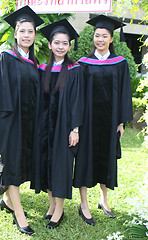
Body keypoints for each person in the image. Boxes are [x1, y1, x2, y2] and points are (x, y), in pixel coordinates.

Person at [0, 5, 44, 236]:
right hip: (9, 121)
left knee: (20, 164)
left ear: (35, 34)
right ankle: (20, 215)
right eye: (22, 31)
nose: (26, 35)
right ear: (15, 33)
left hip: (28, 123)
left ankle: (7, 200)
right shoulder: (5, 57)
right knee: (13, 164)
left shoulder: (34, 62)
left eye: (30, 31)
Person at [73, 15, 133, 226]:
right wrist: (76, 124)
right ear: (94, 38)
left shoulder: (120, 63)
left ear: (111, 39)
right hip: (87, 123)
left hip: (109, 122)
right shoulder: (83, 64)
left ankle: (103, 200)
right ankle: (83, 204)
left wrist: (121, 121)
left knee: (106, 160)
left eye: (104, 36)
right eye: (97, 35)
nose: (99, 39)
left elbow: (125, 92)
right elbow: (78, 95)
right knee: (84, 160)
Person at [31, 19, 85, 229]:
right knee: (46, 164)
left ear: (69, 46)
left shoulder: (75, 70)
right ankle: (52, 204)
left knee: (61, 166)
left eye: (64, 43)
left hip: (64, 127)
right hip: (44, 127)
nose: (60, 47)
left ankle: (59, 210)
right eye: (57, 43)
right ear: (51, 44)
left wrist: (75, 129)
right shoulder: (43, 69)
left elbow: (78, 101)